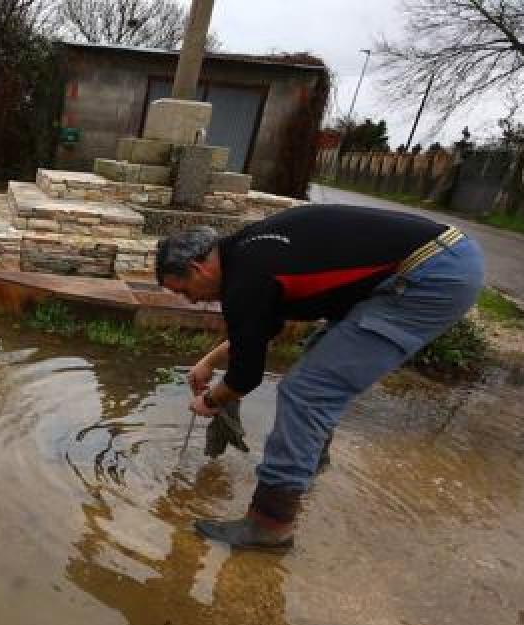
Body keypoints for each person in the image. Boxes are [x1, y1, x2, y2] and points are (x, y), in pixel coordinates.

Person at [156, 205, 484, 551]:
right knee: (320, 355)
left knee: (307, 391)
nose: (190, 299)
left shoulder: (246, 274)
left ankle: (270, 524)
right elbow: (261, 328)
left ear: (197, 267)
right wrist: (209, 362)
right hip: (440, 257)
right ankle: (308, 465)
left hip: (431, 274)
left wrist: (210, 401)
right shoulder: (246, 254)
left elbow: (246, 375)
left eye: (184, 290)